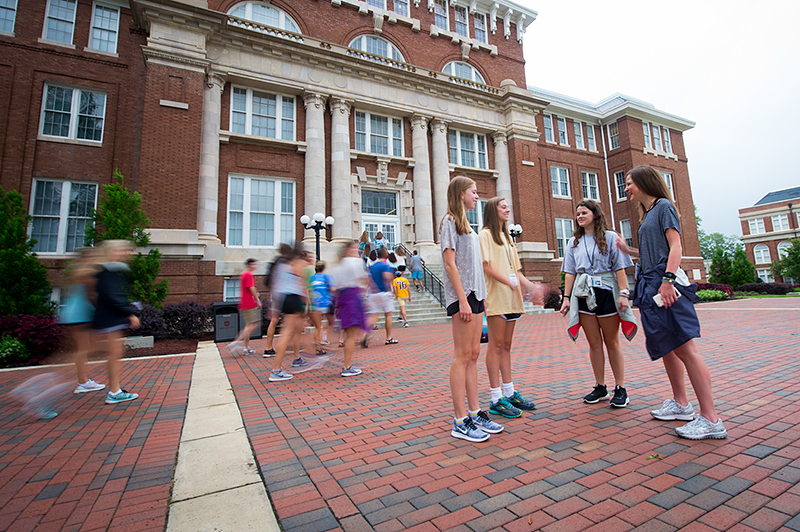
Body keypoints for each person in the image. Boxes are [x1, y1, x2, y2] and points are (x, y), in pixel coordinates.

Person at [621, 165, 726, 440]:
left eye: (629, 183)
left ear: (644, 183)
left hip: (666, 284)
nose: (626, 188)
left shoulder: (664, 206)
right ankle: (681, 404)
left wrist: (668, 281)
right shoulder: (646, 215)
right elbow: (651, 253)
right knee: (668, 346)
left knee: (685, 348)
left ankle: (711, 419)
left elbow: (675, 246)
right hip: (650, 284)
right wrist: (627, 250)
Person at [559, 200, 638, 408]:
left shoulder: (610, 237)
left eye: (584, 212)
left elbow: (620, 268)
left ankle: (620, 388)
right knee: (594, 343)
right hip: (583, 293)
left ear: (595, 214)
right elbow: (570, 272)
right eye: (577, 214)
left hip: (606, 291)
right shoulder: (573, 242)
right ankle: (600, 386)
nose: (580, 217)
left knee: (612, 341)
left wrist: (623, 294)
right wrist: (566, 298)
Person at [441, 176, 502, 442]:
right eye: (473, 192)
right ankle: (459, 419)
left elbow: (475, 266)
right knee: (462, 355)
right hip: (462, 297)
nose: (477, 196)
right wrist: (463, 299)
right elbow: (450, 263)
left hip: (477, 296)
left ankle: (475, 412)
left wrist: (483, 297)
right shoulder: (449, 221)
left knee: (475, 354)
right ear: (460, 194)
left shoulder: (469, 226)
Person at [479, 197, 542, 418]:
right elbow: (486, 267)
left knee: (506, 346)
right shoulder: (485, 235)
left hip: (512, 298)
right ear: (492, 210)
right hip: (496, 298)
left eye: (508, 206)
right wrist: (509, 282)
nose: (508, 209)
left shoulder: (507, 237)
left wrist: (532, 287)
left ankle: (509, 391)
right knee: (495, 346)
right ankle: (496, 398)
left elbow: (517, 270)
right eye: (503, 206)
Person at [91, 240, 141, 404]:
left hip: (108, 318)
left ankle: (114, 389)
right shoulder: (109, 272)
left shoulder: (110, 270)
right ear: (112, 252)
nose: (127, 253)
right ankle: (114, 392)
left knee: (112, 354)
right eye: (122, 250)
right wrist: (129, 313)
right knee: (113, 354)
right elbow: (112, 296)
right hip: (109, 319)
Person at [59, 247, 105, 395]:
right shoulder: (87, 271)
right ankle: (80, 380)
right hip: (81, 314)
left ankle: (83, 380)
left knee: (88, 347)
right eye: (96, 255)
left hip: (77, 313)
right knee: (85, 348)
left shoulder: (78, 270)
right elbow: (91, 294)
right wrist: (100, 311)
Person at [269, 242, 310, 382]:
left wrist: (274, 308)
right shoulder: (297, 264)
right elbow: (301, 285)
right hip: (293, 299)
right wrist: (305, 303)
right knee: (286, 335)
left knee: (291, 332)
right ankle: (276, 370)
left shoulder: (281, 265)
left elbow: (276, 287)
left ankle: (296, 357)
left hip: (284, 299)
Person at [332, 241, 369, 376]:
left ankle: (347, 365)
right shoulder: (356, 262)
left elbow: (335, 287)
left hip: (342, 297)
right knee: (351, 336)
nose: (357, 250)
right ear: (348, 250)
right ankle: (347, 367)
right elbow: (362, 280)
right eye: (354, 248)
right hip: (352, 296)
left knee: (349, 334)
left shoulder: (337, 265)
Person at [228, 258, 262, 356]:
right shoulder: (248, 274)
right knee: (253, 325)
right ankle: (237, 342)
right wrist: (257, 300)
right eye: (254, 264)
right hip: (249, 303)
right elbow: (251, 287)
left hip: (244, 303)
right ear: (250, 265)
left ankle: (246, 348)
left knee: (249, 325)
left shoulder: (244, 275)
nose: (255, 266)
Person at [263, 243, 292, 357]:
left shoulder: (275, 263)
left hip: (275, 295)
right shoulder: (286, 264)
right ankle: (287, 346)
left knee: (274, 321)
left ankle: (269, 347)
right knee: (290, 321)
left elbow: (268, 281)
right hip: (286, 295)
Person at [368, 247, 399, 345]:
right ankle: (388, 337)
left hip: (373, 293)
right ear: (386, 255)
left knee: (373, 315)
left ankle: (366, 334)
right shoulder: (385, 265)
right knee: (388, 315)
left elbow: (368, 280)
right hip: (384, 292)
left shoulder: (372, 266)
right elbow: (387, 278)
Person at [310, 260, 336, 356]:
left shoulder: (311, 278)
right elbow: (333, 289)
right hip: (326, 302)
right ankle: (324, 336)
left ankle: (318, 347)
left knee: (317, 326)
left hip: (315, 304)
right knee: (331, 322)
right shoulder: (327, 276)